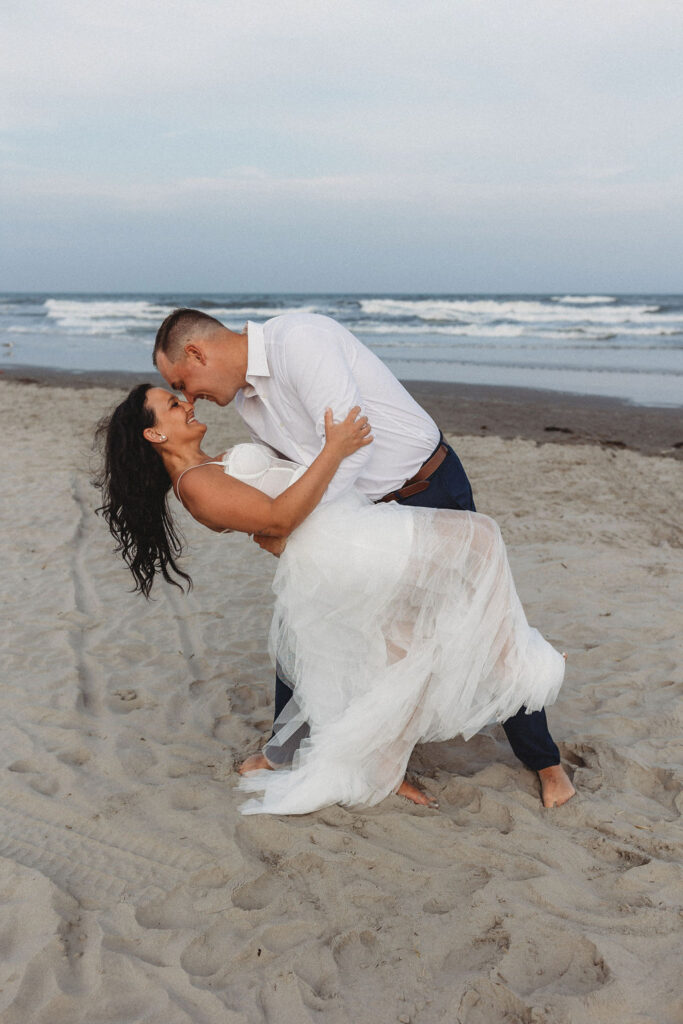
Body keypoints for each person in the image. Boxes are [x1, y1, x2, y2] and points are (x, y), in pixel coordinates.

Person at [152, 308, 575, 809]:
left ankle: (546, 765)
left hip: (425, 490)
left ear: (198, 352)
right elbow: (299, 468)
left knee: (483, 618)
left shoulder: (300, 341)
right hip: (362, 517)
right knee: (318, 627)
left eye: (185, 381)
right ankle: (293, 751)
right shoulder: (249, 404)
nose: (191, 396)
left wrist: (292, 526)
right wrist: (285, 523)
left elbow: (351, 447)